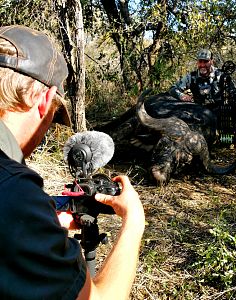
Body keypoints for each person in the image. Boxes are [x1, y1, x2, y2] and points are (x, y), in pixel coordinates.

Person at [0, 25, 145, 299]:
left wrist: (40, 227)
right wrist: (134, 222)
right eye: (53, 116)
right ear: (42, 99)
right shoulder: (14, 191)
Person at [169, 48, 236, 116]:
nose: (202, 65)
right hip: (199, 113)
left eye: (206, 61)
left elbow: (235, 91)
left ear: (211, 61)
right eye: (200, 61)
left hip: (218, 112)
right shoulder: (191, 77)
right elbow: (173, 88)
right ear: (197, 62)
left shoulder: (221, 75)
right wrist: (181, 95)